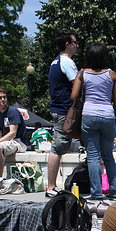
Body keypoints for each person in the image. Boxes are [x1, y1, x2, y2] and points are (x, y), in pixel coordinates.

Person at [71, 43, 116, 200]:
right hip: (108, 116)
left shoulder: (82, 74)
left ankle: (96, 192)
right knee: (108, 156)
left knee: (93, 156)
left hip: (89, 115)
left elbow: (74, 96)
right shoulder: (112, 75)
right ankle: (115, 191)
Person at [46, 30, 79, 197]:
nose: (77, 45)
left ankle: (52, 186)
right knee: (57, 148)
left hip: (59, 109)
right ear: (67, 45)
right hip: (64, 110)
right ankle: (50, 187)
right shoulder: (66, 62)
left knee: (59, 146)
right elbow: (77, 84)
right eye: (74, 42)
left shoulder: (55, 62)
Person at [0, 89, 28, 180]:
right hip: (6, 142)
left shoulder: (13, 111)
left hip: (18, 142)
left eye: (4, 97)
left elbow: (12, 133)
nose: (3, 99)